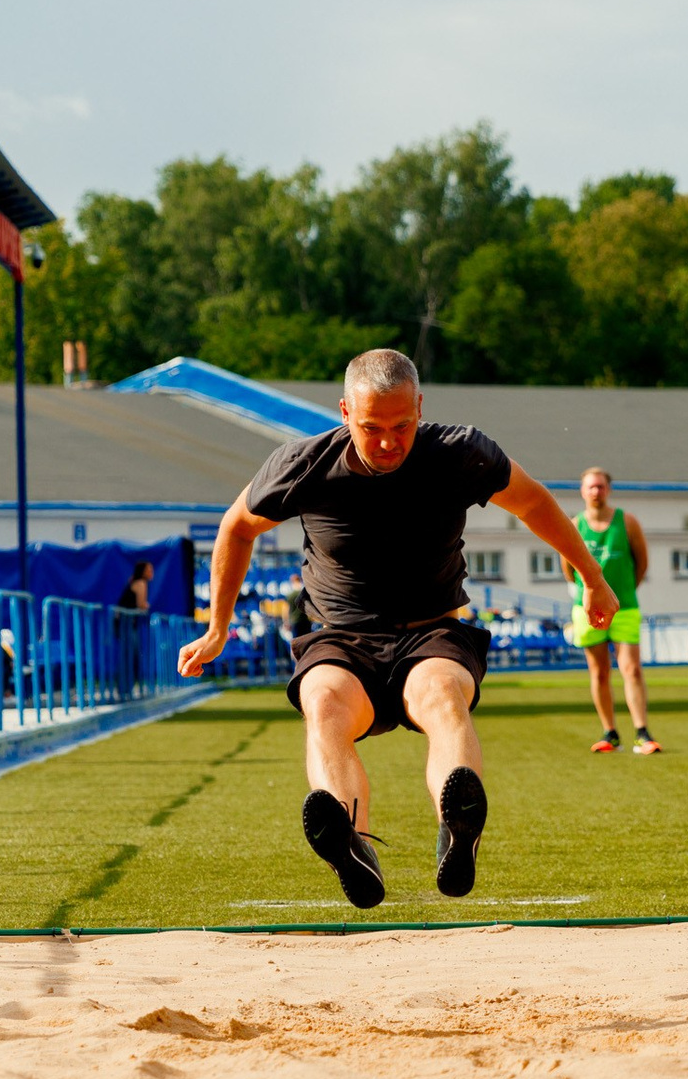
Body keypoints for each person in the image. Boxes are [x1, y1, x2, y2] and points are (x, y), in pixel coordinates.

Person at [176, 349, 617, 909]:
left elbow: (532, 503)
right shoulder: (305, 465)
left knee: (440, 696)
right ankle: (352, 845)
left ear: (420, 407)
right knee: (324, 703)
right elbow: (237, 527)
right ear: (343, 412)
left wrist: (594, 578)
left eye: (401, 426)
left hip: (431, 630)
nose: (388, 442)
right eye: (371, 428)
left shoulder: (460, 453)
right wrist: (218, 627)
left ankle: (457, 828)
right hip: (340, 637)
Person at [564, 468, 659, 754]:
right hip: (586, 609)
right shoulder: (574, 525)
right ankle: (610, 733)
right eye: (591, 487)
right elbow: (568, 570)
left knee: (631, 668)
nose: (596, 492)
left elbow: (641, 563)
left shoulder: (627, 522)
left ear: (609, 489)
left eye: (601, 487)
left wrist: (620, 594)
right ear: (582, 491)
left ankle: (642, 733)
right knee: (599, 671)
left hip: (625, 607)